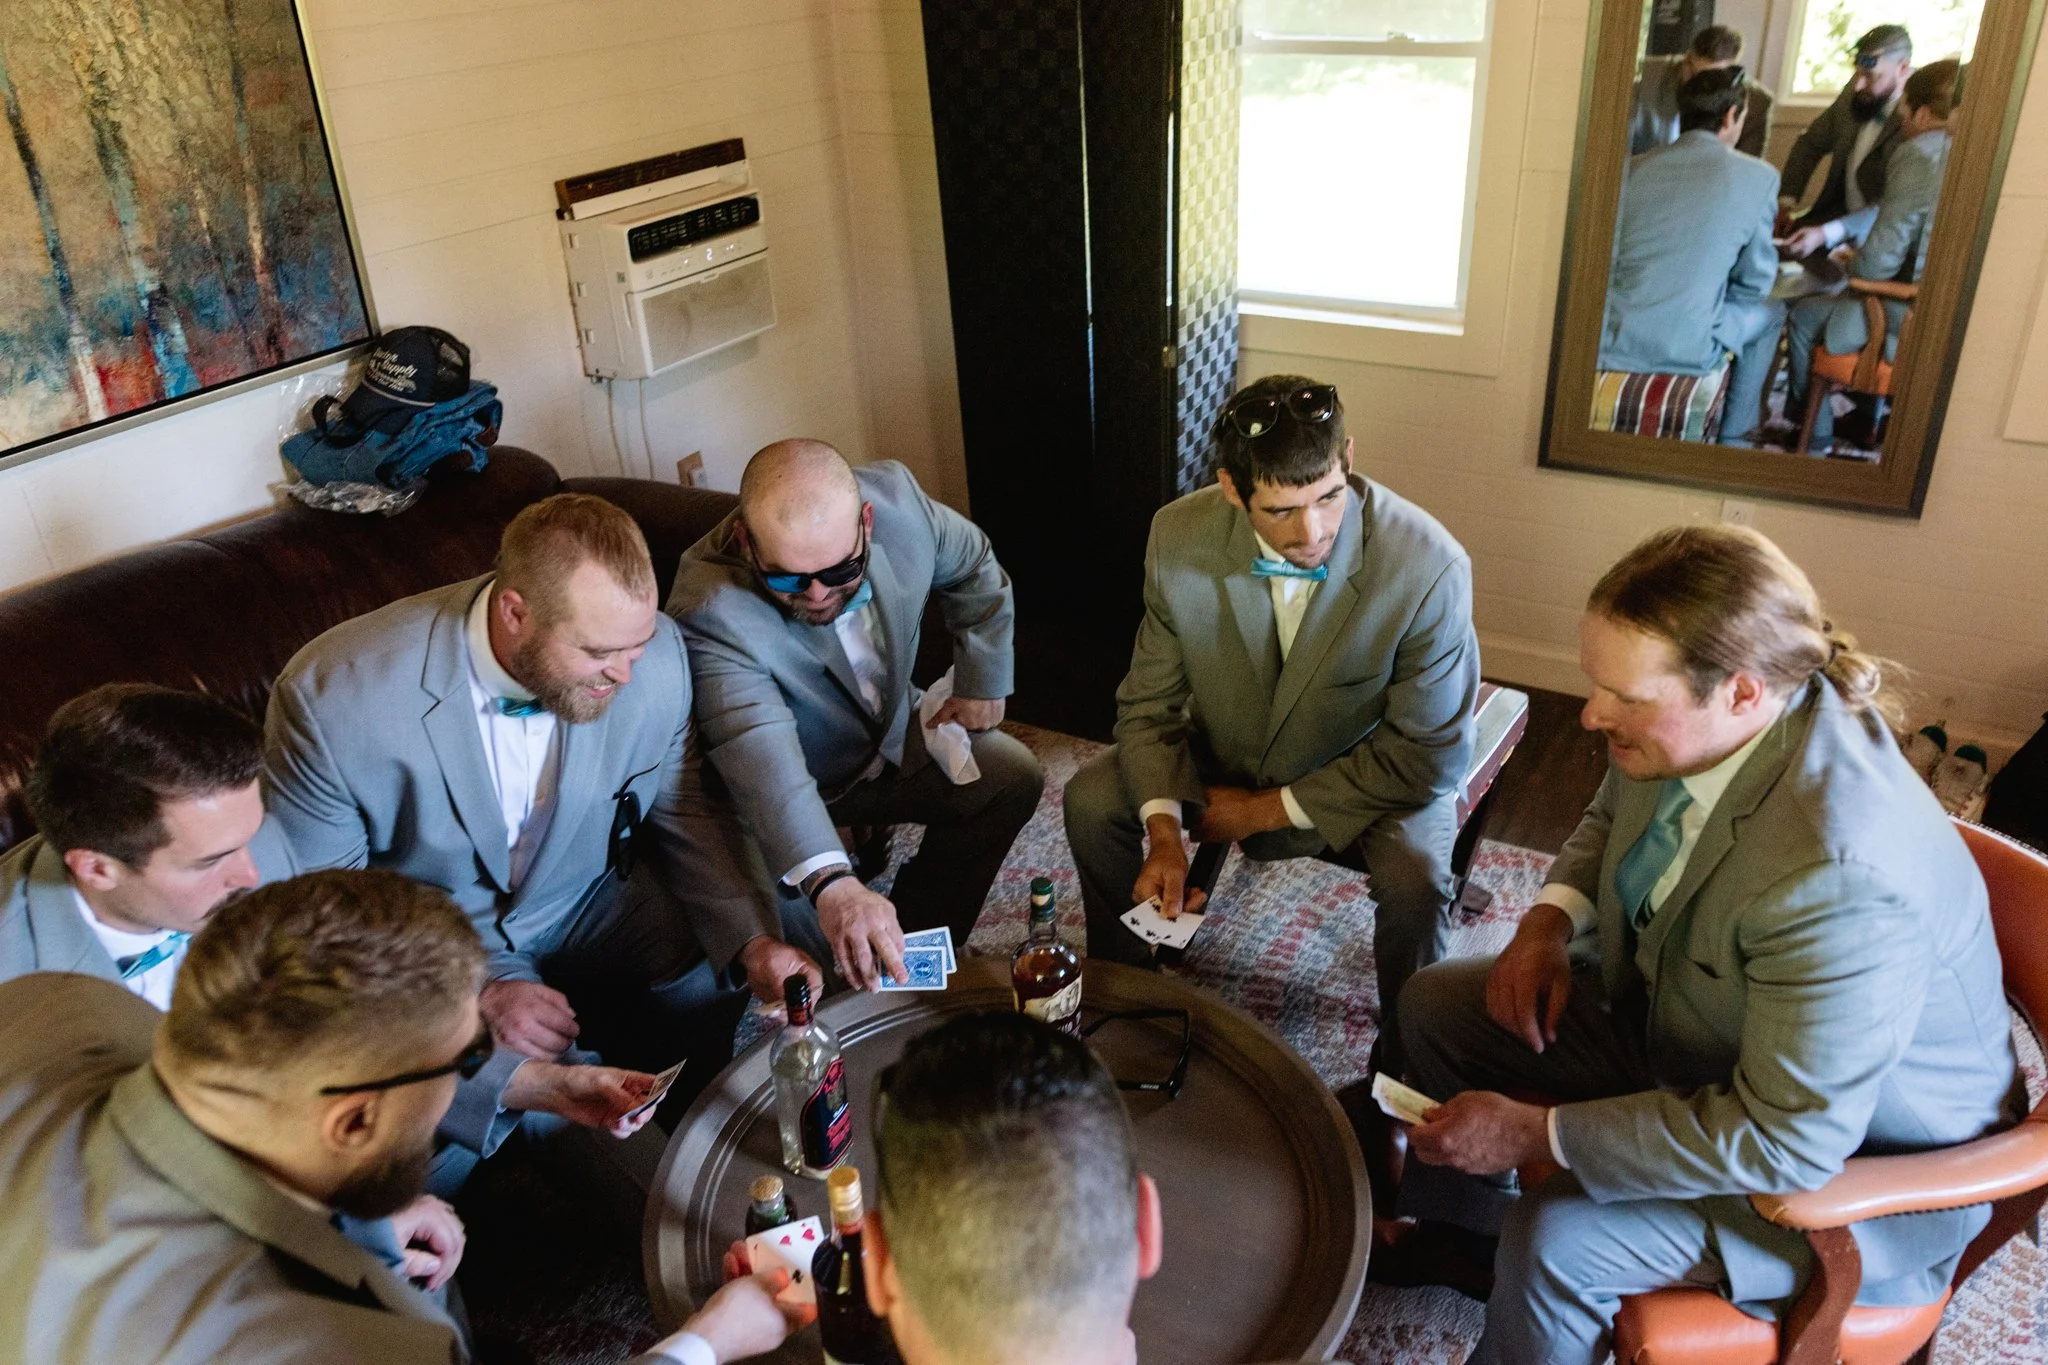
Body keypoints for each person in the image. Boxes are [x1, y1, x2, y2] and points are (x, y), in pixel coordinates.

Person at [1374, 524, 2021, 1364]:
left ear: (1743, 692)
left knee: (1557, 1233)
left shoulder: (1838, 871)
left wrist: (1544, 1133)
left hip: (1846, 1172)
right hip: (1700, 1032)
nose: (1592, 714)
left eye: (1626, 698)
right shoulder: (1709, 723)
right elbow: (1615, 804)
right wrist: (1550, 918)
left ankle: (1522, 1272)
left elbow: (1787, 1140)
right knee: (1436, 1006)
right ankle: (1469, 1238)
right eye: (1594, 683)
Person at [0, 867, 806, 1365]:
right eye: (465, 1061)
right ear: (351, 1122)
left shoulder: (58, 1001)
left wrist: (363, 1212)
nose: (478, 1073)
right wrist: (707, 1341)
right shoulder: (353, 1344)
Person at [264, 493, 817, 1187]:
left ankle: (693, 1109)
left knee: (709, 957)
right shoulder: (334, 699)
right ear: (515, 611)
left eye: (636, 644)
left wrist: (752, 939)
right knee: (635, 1176)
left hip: (586, 891)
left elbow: (688, 814)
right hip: (441, 937)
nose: (625, 674)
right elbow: (322, 924)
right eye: (598, 651)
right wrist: (476, 996)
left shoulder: (658, 661)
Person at [1063, 375, 1477, 1075]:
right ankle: (1127, 983)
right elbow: (1149, 705)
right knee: (1090, 799)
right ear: (1230, 487)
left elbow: (1428, 757)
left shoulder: (1429, 566)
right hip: (1229, 737)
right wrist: (1164, 832)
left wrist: (1258, 812)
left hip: (1370, 768)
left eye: (1328, 496)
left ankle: (1409, 1059)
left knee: (1417, 877)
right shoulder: (1176, 533)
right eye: (1282, 510)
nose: (1312, 532)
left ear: (1348, 454)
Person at [670, 440, 1043, 991]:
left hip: (891, 736)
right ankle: (872, 985)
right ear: (746, 541)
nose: (819, 594)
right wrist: (835, 885)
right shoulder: (711, 612)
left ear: (867, 522)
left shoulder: (900, 505)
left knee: (1013, 777)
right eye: (790, 579)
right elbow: (766, 764)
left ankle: (916, 952)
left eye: (841, 568)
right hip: (778, 809)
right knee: (836, 961)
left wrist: (982, 677)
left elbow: (974, 565)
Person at [0, 684, 270, 1006]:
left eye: (248, 839)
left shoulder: (227, 830)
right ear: (97, 870)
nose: (251, 875)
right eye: (210, 863)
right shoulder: (17, 999)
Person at [1598, 67, 1782, 446]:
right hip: (1690, 344)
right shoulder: (1759, 177)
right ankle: (1736, 439)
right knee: (1773, 313)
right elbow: (1754, 283)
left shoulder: (1631, 169)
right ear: (1732, 116)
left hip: (1613, 337)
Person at [1780, 59, 1957, 454]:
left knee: (1804, 315)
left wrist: (1853, 262)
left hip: (1904, 315)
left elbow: (1877, 265)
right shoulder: (1970, 152)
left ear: (1923, 113)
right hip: (1940, 304)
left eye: (1905, 112)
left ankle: (1812, 433)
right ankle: (1865, 420)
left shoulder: (1920, 155)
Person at [1778, 25, 1913, 243]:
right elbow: (1810, 143)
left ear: (1903, 68)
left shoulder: (1918, 116)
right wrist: (1786, 203)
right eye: (1857, 73)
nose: (1859, 85)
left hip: (1879, 235)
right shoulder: (1854, 92)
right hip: (1833, 216)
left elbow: (1891, 202)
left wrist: (1827, 233)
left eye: (1870, 76)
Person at [1628, 25, 1775, 159]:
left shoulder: (1757, 101)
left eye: (1716, 79)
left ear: (1734, 74)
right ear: (1686, 60)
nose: (1703, 85)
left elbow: (1747, 169)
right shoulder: (1643, 77)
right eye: (1698, 76)